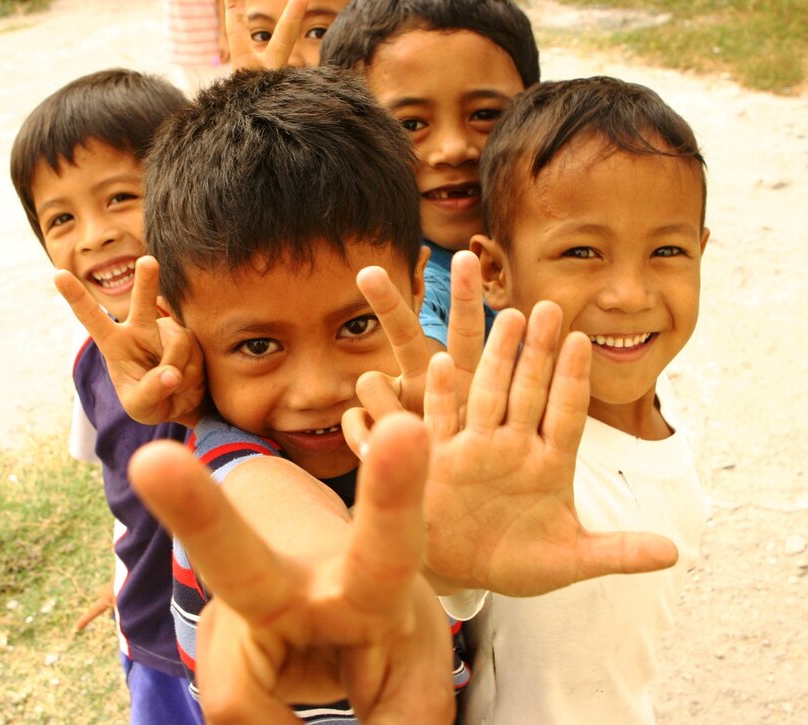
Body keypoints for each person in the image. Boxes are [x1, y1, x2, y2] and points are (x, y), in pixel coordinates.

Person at [54, 64, 676, 721]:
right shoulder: (228, 458)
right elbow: (274, 509)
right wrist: (329, 583)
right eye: (259, 346)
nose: (318, 389)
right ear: (182, 323)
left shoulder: (436, 437)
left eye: (356, 325)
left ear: (414, 286)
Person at [460, 75, 712, 724]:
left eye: (667, 250)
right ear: (496, 272)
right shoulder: (501, 452)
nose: (629, 293)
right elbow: (443, 582)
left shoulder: (666, 403)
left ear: (702, 251)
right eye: (581, 251)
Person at [8, 69, 204, 724]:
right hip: (150, 645)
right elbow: (123, 496)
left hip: (241, 649)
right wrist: (128, 578)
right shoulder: (90, 363)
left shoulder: (237, 346)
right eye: (61, 218)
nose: (92, 235)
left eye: (120, 197)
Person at [319, 0, 539, 351]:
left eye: (485, 114)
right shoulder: (401, 279)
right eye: (410, 124)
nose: (453, 150)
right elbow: (414, 335)